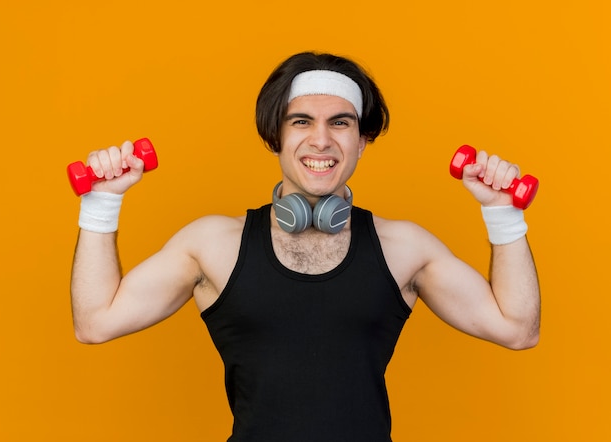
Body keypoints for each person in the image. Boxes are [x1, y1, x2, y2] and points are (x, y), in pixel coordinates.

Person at [71, 51, 540, 441]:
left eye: (341, 123)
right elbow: (96, 322)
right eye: (301, 121)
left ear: (361, 142)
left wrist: (502, 213)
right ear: (276, 136)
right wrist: (101, 204)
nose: (322, 140)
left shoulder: (404, 248)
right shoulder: (213, 244)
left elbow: (517, 328)